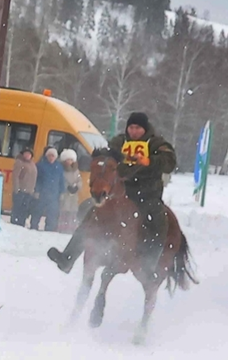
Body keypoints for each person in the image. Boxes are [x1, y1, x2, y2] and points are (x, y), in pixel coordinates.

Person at [48, 112, 176, 276]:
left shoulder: (157, 143)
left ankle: (150, 264)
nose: (133, 131)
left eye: (137, 128)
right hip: (121, 190)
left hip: (147, 192)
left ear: (144, 129)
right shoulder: (119, 141)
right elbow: (107, 157)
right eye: (131, 127)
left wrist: (150, 161)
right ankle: (67, 258)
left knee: (158, 219)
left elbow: (170, 162)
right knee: (92, 215)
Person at [32, 147, 65, 231]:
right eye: (50, 155)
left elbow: (61, 180)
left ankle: (50, 228)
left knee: (52, 212)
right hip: (42, 193)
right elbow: (37, 179)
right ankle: (34, 226)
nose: (51, 158)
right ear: (47, 156)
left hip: (54, 194)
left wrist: (62, 192)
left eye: (53, 156)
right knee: (38, 210)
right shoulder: (40, 165)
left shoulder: (59, 167)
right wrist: (37, 191)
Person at [10, 148, 37, 227]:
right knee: (17, 209)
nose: (27, 155)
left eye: (29, 154)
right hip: (20, 190)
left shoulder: (32, 164)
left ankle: (21, 223)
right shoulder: (19, 163)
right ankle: (15, 224)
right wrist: (17, 188)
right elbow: (15, 176)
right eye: (26, 153)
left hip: (29, 191)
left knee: (25, 210)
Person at [58, 148, 82, 231]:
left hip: (73, 196)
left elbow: (79, 181)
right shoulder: (61, 170)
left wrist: (77, 187)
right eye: (67, 160)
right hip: (65, 194)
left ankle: (70, 228)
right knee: (64, 211)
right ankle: (62, 228)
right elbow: (61, 180)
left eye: (71, 160)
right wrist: (67, 186)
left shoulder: (76, 171)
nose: (69, 162)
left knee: (72, 212)